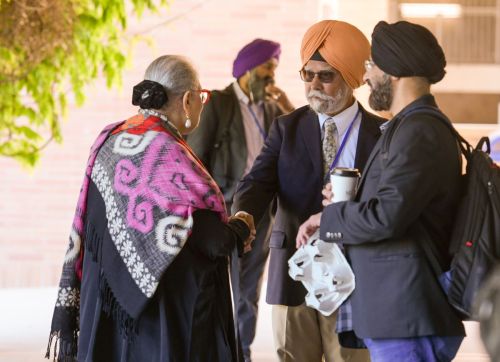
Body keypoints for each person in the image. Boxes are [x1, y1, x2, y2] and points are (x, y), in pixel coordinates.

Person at [46, 55, 256, 362]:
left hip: (108, 310)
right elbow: (214, 241)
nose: (202, 104)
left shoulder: (110, 138)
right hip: (161, 324)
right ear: (187, 100)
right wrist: (241, 226)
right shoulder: (168, 154)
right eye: (202, 98)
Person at [297, 20, 466, 362]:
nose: (367, 75)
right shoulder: (407, 127)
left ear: (394, 71)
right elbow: (395, 206)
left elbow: (386, 217)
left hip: (408, 317)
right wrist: (332, 212)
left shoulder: (419, 131)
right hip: (399, 315)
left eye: (372, 65)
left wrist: (333, 216)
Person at [232, 20, 384, 362]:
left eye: (325, 75)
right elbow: (257, 182)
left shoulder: (381, 134)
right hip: (294, 273)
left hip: (354, 279)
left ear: (351, 78)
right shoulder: (286, 127)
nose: (314, 84)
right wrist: (243, 216)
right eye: (307, 74)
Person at [187, 38, 293, 362]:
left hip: (262, 215)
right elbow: (196, 156)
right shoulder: (218, 103)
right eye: (267, 68)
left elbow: (296, 144)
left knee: (247, 291)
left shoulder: (275, 110)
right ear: (247, 69)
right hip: (223, 214)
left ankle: (240, 354)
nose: (272, 75)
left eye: (274, 68)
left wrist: (287, 103)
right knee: (220, 287)